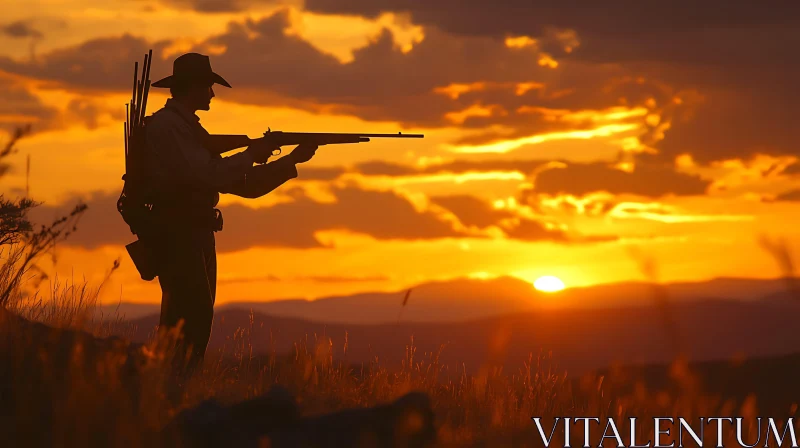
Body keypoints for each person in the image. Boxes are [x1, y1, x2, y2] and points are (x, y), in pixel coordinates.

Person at [141, 52, 318, 378]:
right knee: (187, 320)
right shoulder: (170, 128)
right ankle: (165, 392)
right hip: (179, 231)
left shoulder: (187, 128)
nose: (212, 93)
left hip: (194, 230)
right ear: (192, 86)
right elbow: (210, 175)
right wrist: (253, 153)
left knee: (195, 317)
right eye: (208, 86)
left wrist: (289, 161)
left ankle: (173, 390)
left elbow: (242, 184)